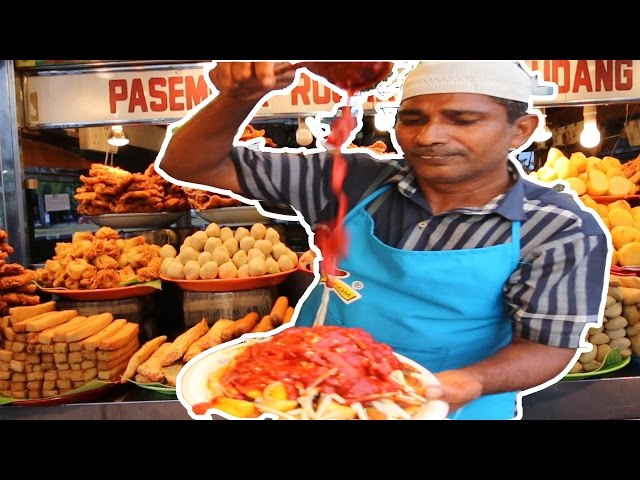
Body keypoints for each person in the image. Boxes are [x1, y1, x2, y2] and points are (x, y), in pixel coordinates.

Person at [158, 61, 611, 420]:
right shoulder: (351, 180)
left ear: (521, 130)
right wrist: (238, 98)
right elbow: (190, 165)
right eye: (413, 119)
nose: (430, 136)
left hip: (453, 405)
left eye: (463, 119)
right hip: (308, 389)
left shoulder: (557, 227)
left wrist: (466, 383)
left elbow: (548, 345)